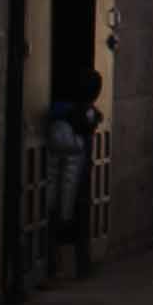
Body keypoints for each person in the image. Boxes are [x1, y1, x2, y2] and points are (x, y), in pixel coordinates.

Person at [44, 67, 102, 278]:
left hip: (54, 178)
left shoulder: (59, 112)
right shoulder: (85, 113)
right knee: (75, 216)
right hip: (77, 175)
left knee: (51, 214)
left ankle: (53, 264)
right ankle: (78, 265)